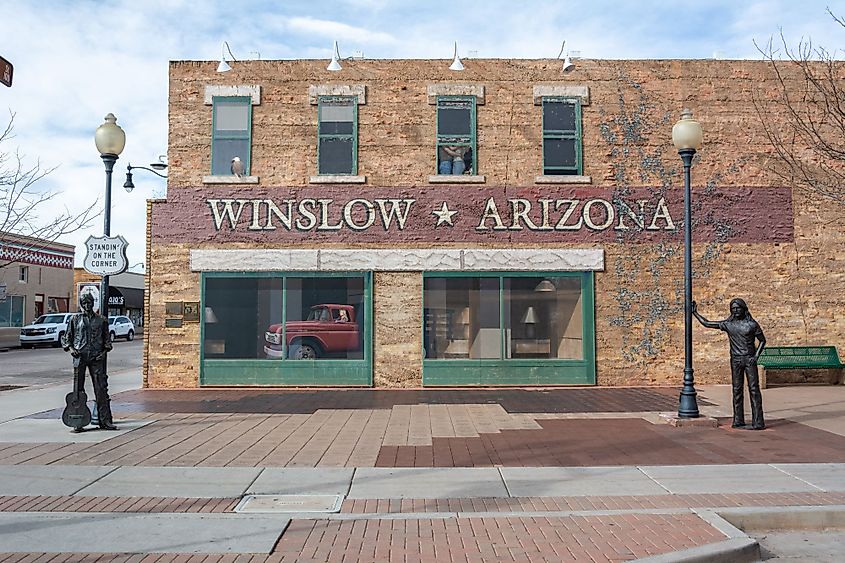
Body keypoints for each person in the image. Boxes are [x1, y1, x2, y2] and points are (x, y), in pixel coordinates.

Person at [692, 298, 766, 430]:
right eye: (733, 309)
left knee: (754, 390)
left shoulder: (752, 325)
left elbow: (762, 341)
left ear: (744, 309)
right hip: (736, 360)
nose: (736, 311)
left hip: (749, 359)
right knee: (737, 390)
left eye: (738, 308)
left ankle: (758, 421)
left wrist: (756, 356)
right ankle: (738, 420)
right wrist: (696, 313)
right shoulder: (728, 324)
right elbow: (708, 324)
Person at [62, 293, 117, 430]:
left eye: (89, 303)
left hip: (96, 356)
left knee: (100, 389)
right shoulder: (75, 319)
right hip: (79, 356)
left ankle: (104, 421)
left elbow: (107, 341)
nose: (87, 306)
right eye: (84, 303)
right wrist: (71, 349)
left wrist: (103, 353)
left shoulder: (101, 320)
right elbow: (67, 338)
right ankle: (78, 421)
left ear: (93, 303)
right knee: (78, 390)